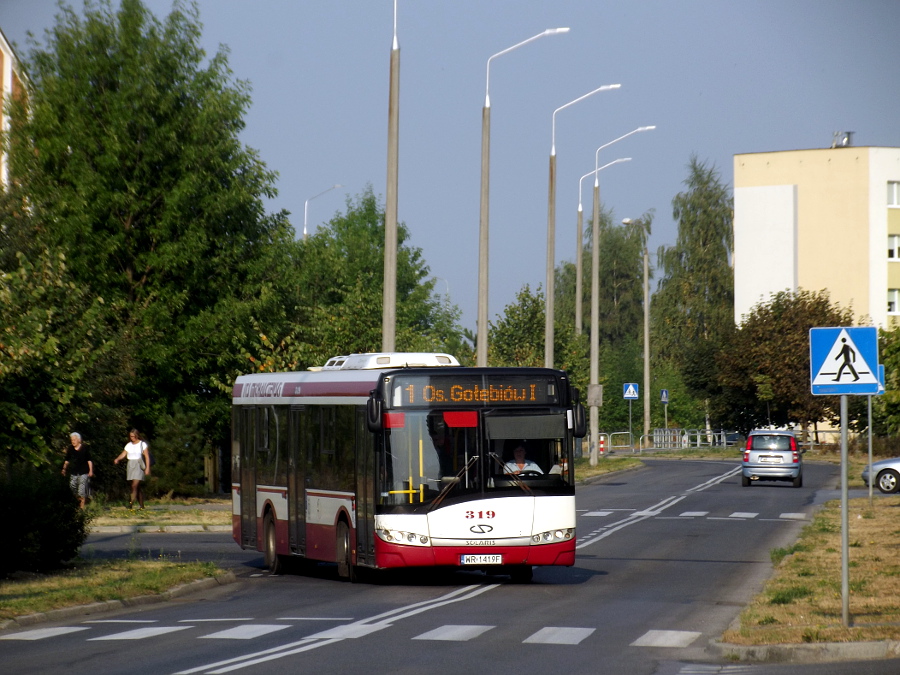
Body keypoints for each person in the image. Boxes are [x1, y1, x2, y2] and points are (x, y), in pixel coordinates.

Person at [114, 428, 151, 510]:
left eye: (133, 436)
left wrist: (147, 468)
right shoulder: (129, 445)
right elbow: (124, 454)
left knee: (134, 485)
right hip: (130, 465)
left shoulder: (142, 444)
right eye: (130, 436)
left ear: (137, 436)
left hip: (138, 465)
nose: (132, 438)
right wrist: (117, 459)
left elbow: (147, 457)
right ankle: (141, 505)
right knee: (136, 487)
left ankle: (130, 503)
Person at [61, 432, 93, 509]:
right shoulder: (70, 449)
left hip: (83, 472)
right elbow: (67, 460)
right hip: (73, 472)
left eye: (74, 440)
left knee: (81, 491)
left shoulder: (85, 448)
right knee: (72, 488)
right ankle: (77, 504)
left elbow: (89, 460)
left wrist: (91, 470)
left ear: (79, 440)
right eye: (72, 440)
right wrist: (64, 469)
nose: (73, 441)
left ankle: (81, 509)